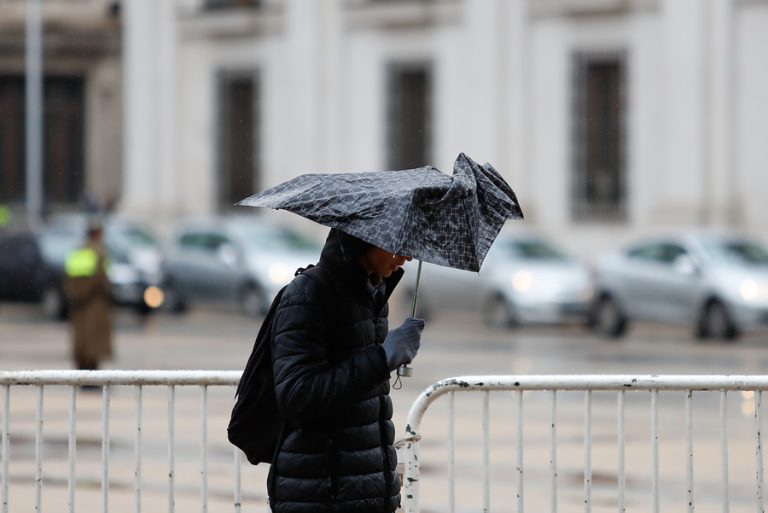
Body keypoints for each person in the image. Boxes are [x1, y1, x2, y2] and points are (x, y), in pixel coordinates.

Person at [268, 228, 425, 513]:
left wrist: (386, 488)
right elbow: (297, 397)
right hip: (320, 494)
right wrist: (382, 358)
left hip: (364, 492)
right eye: (396, 243)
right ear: (364, 238)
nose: (406, 256)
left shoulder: (373, 294)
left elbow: (366, 404)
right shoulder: (308, 293)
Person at [64, 219, 113, 372]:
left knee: (81, 339)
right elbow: (101, 279)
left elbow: (68, 277)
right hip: (94, 303)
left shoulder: (78, 252)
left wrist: (75, 295)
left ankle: (81, 372)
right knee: (93, 341)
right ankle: (91, 375)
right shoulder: (99, 252)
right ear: (98, 233)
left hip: (78, 304)